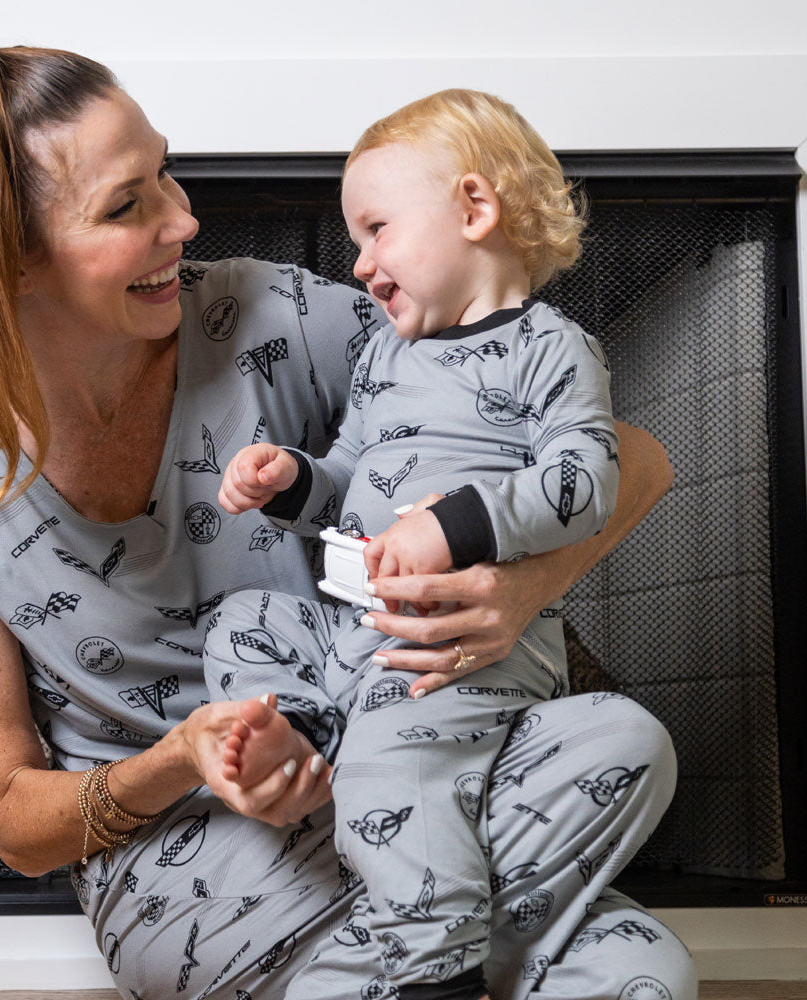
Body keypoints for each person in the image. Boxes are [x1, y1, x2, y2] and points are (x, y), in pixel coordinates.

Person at [0, 20, 697, 1000]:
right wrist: (187, 757)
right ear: (7, 260)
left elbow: (627, 454)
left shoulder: (273, 319)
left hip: (402, 760)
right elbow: (17, 819)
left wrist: (522, 587)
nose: (182, 220)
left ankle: (416, 955)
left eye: (164, 173)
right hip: (200, 862)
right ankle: (434, 948)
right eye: (128, 204)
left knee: (643, 934)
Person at [203, 88, 621, 999]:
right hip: (353, 627)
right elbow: (354, 476)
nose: (360, 265)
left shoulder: (553, 350)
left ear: (474, 210)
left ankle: (438, 972)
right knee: (245, 618)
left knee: (399, 756)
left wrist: (456, 523)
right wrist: (294, 480)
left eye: (377, 230)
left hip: (452, 644)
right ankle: (308, 734)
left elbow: (588, 481)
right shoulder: (387, 357)